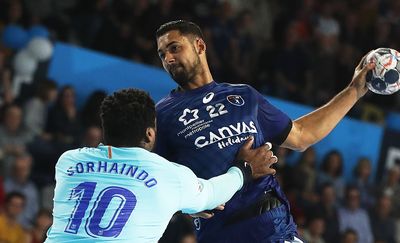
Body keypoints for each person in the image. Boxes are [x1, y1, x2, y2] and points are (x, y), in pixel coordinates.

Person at [155, 20, 375, 242]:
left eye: (174, 48)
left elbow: (301, 135)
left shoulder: (244, 96)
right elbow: (152, 180)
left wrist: (354, 91)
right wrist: (185, 205)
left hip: (273, 228)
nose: (168, 59)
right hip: (220, 234)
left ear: (200, 46)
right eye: (162, 54)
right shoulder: (163, 114)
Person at [45, 88, 277, 242]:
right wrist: (244, 169)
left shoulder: (69, 162)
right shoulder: (168, 175)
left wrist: (177, 203)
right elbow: (213, 193)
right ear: (149, 133)